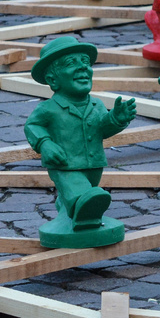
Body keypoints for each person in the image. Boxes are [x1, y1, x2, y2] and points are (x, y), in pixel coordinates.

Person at [24, 37, 137, 248]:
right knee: (82, 195)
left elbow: (103, 129)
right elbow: (32, 126)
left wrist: (117, 119)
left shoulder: (97, 104)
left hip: (94, 163)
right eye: (71, 63)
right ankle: (84, 221)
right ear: (53, 80)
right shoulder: (49, 108)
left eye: (85, 61)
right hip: (64, 164)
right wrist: (45, 144)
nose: (82, 67)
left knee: (81, 196)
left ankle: (68, 210)